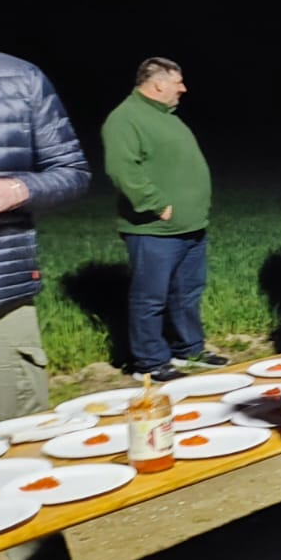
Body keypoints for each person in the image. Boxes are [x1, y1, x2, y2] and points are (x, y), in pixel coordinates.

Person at [0, 8, 92, 560]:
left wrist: (16, 188)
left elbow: (73, 171)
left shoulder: (19, 82)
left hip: (2, 293)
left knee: (17, 442)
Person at [101, 57, 228, 382]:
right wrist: (155, 204)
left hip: (190, 227)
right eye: (177, 82)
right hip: (154, 230)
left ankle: (189, 349)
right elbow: (122, 169)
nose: (183, 88)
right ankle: (150, 361)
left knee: (187, 292)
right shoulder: (125, 119)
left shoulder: (166, 117)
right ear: (158, 84)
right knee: (150, 297)